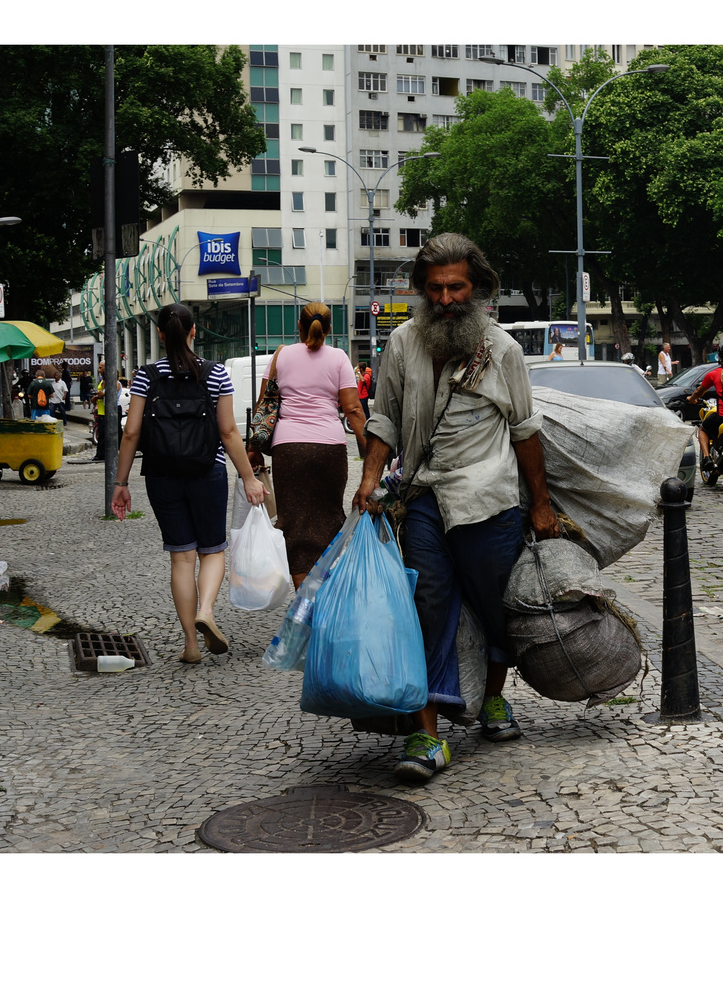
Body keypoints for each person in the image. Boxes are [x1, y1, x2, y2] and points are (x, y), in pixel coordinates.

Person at [353, 233, 559, 785]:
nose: (446, 299)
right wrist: (370, 479)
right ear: (421, 288)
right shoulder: (400, 344)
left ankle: (493, 699)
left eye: (457, 287)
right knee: (427, 602)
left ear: (478, 288)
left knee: (496, 607)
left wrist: (539, 505)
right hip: (423, 495)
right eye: (436, 288)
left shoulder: (504, 350)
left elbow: (525, 431)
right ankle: (427, 735)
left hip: (490, 501)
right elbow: (385, 419)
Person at [112, 303, 266, 664]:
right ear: (194, 331)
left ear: (162, 335)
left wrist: (121, 482)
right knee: (212, 550)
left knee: (181, 558)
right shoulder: (215, 375)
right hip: (207, 473)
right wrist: (249, 477)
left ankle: (191, 646)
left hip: (162, 475)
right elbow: (228, 432)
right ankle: (207, 612)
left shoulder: (146, 377)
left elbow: (131, 432)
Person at [247, 302, 366, 588]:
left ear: (299, 327)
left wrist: (253, 448)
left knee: (295, 526)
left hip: (289, 449)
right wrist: (369, 451)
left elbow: (264, 403)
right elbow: (353, 409)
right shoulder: (339, 358)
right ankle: (328, 596)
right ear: (329, 329)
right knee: (329, 519)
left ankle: (305, 605)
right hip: (330, 449)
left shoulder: (281, 355)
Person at [92, 360, 108, 460]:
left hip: (105, 411)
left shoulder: (107, 380)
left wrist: (99, 396)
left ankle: (101, 454)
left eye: (101, 367)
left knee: (103, 434)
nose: (99, 370)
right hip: (101, 410)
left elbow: (104, 394)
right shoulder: (102, 380)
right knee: (101, 433)